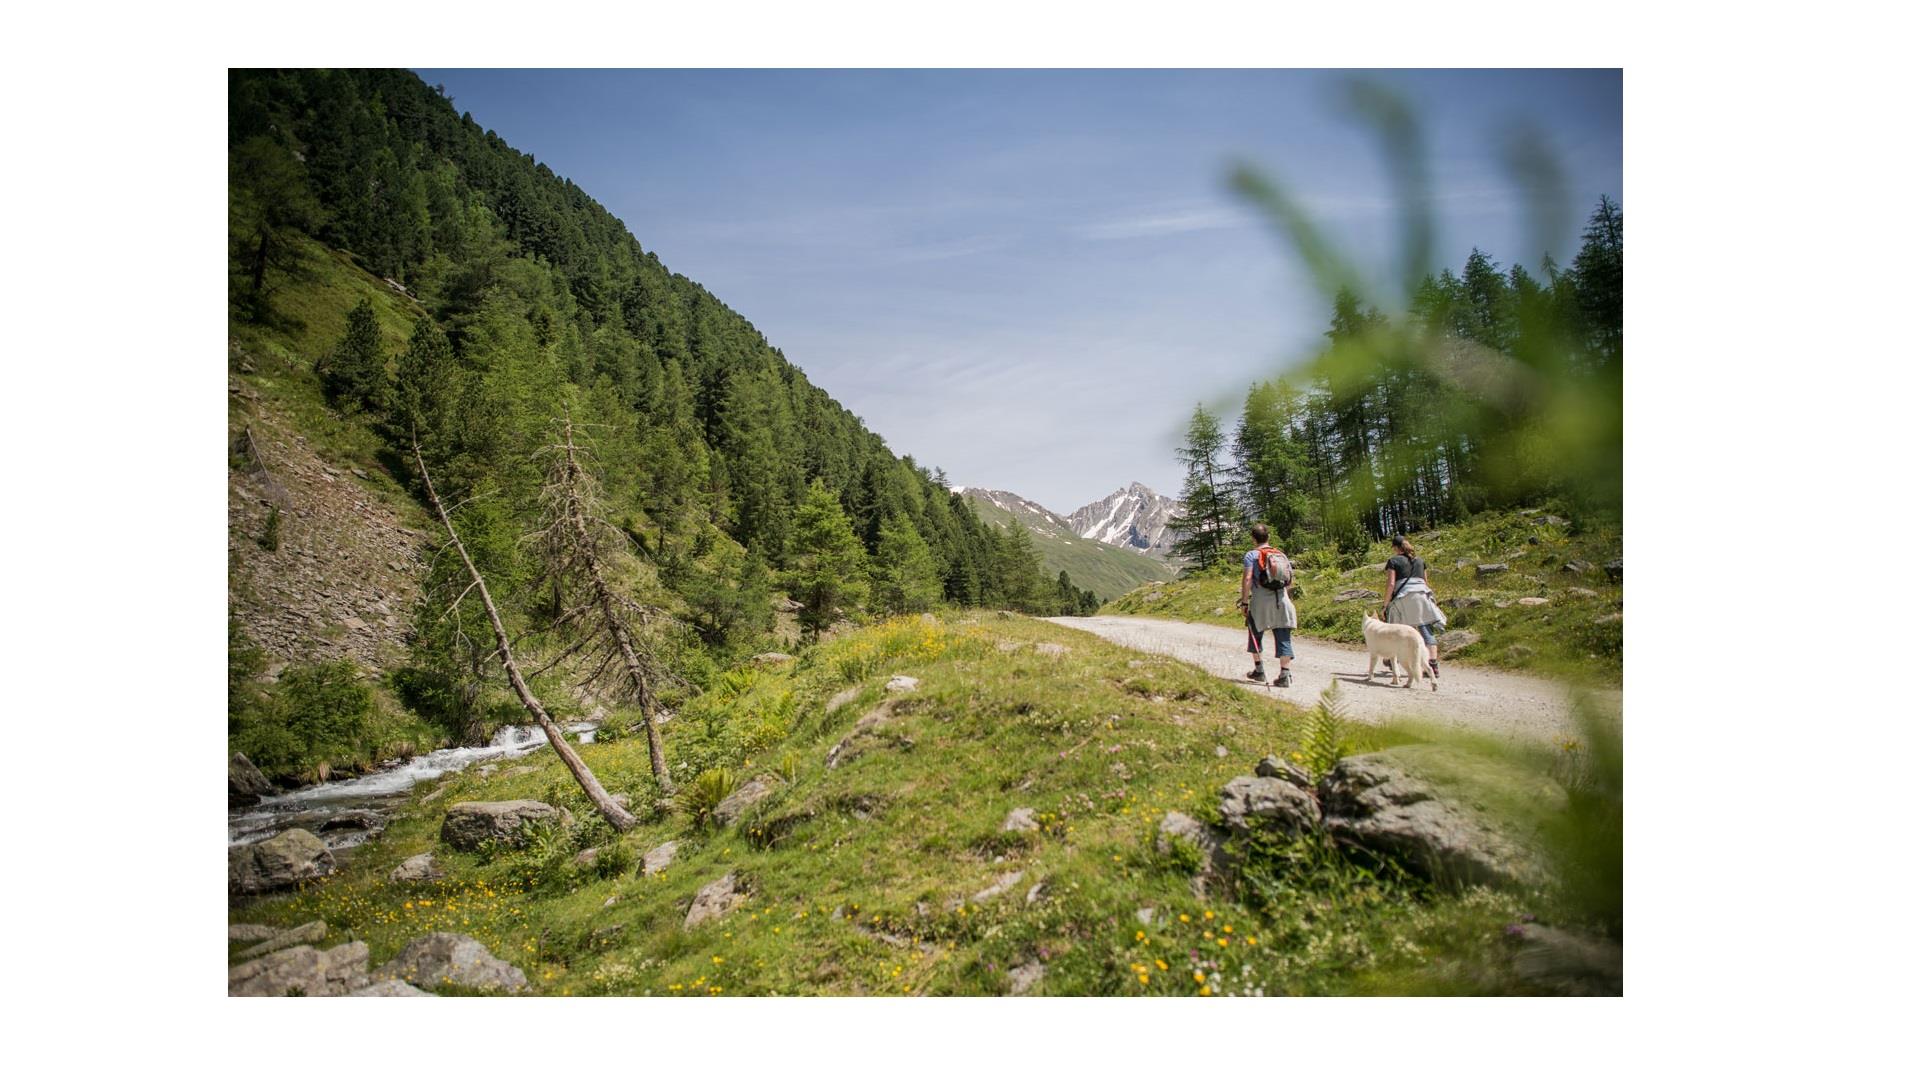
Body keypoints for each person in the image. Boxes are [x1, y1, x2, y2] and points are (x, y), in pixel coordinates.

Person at [1237, 523, 1296, 687]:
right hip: (1282, 600)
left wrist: (1244, 601)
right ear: (1268, 537)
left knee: (1255, 632)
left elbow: (1248, 578)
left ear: (1253, 539)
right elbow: (1289, 579)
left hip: (1261, 601)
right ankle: (1284, 674)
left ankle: (1259, 671)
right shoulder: (1280, 554)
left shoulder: (1251, 555)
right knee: (1283, 635)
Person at [1381, 534, 1446, 678]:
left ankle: (1391, 660)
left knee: (1397, 630)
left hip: (1404, 598)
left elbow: (1391, 584)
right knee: (1426, 631)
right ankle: (1432, 666)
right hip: (1423, 596)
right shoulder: (1420, 561)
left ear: (1396, 548)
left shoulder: (1393, 561)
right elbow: (1425, 582)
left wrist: (1385, 605)